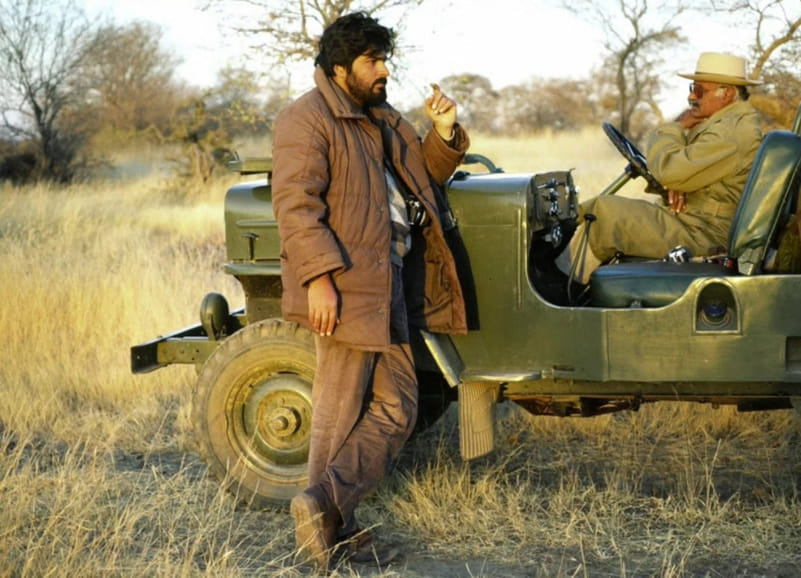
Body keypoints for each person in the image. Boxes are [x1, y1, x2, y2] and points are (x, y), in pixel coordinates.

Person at [271, 11, 470, 569]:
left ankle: (324, 507)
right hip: (349, 285)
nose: (383, 70)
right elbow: (295, 207)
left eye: (385, 59)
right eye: (372, 61)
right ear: (340, 68)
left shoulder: (380, 116)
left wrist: (445, 131)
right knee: (339, 410)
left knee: (396, 405)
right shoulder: (305, 120)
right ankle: (331, 527)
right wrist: (319, 280)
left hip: (390, 284)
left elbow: (422, 177)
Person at [556, 52, 764, 284]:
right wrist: (678, 185)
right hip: (696, 221)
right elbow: (681, 172)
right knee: (600, 210)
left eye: (700, 91)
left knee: (602, 215)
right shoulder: (725, 123)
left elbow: (668, 170)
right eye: (691, 88)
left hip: (706, 232)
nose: (691, 97)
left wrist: (674, 128)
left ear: (726, 94)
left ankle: (559, 289)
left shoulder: (730, 131)